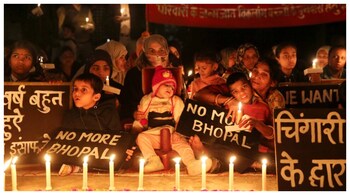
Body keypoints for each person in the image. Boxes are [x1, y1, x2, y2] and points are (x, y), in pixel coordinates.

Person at [133, 66, 216, 175]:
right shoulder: (147, 99)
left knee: (184, 146)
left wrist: (178, 132)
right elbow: (142, 117)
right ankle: (153, 160)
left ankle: (192, 164)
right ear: (156, 86)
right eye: (166, 85)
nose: (170, 89)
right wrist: (138, 120)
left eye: (172, 87)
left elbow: (181, 119)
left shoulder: (176, 101)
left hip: (171, 133)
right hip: (153, 133)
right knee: (141, 138)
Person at [190, 72, 274, 173]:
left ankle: (212, 161)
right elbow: (198, 96)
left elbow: (271, 135)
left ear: (250, 85)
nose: (241, 93)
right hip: (230, 149)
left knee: (240, 153)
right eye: (235, 91)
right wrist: (228, 101)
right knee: (223, 148)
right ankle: (207, 156)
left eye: (244, 87)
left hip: (252, 150)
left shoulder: (262, 107)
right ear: (231, 94)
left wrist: (257, 124)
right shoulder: (228, 108)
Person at [58, 73, 132, 175]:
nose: (77, 93)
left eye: (84, 90)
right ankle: (76, 166)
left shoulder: (107, 112)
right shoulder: (70, 115)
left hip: (105, 154)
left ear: (96, 97)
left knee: (125, 155)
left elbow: (117, 136)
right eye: (75, 89)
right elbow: (66, 140)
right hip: (81, 154)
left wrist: (123, 149)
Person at [120, 34, 173, 124]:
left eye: (161, 50)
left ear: (166, 51)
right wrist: (134, 113)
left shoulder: (172, 72)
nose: (156, 55)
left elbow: (180, 99)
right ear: (144, 52)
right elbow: (127, 102)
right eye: (152, 51)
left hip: (168, 121)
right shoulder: (134, 74)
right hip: (143, 123)